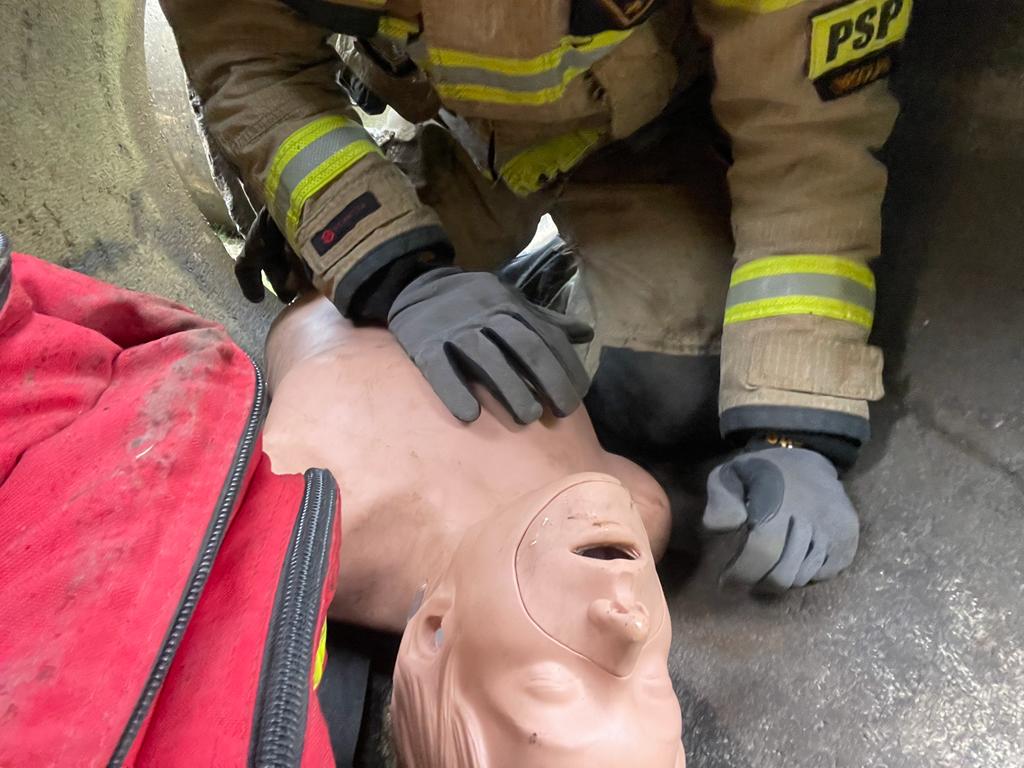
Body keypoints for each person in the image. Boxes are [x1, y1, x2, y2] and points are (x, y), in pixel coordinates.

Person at [159, 0, 911, 591]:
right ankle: (423, 240)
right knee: (317, 277)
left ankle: (545, 284)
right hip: (456, 131)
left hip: (638, 133)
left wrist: (792, 425)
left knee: (670, 391)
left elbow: (806, 143)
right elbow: (246, 63)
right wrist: (394, 269)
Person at [262, 294, 685, 766]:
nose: (631, 626)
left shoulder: (324, 513)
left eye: (553, 686)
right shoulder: (641, 513)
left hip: (337, 298)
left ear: (434, 631)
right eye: (652, 685)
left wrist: (392, 280)